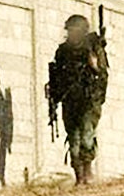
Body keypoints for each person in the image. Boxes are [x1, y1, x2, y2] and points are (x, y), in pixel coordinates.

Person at [46, 14, 109, 185]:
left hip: (88, 100)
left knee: (87, 137)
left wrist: (94, 66)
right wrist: (54, 96)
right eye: (69, 31)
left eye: (74, 31)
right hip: (70, 100)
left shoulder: (92, 48)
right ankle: (79, 178)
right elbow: (56, 77)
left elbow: (102, 74)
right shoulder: (63, 51)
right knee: (73, 140)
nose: (71, 34)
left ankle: (88, 172)